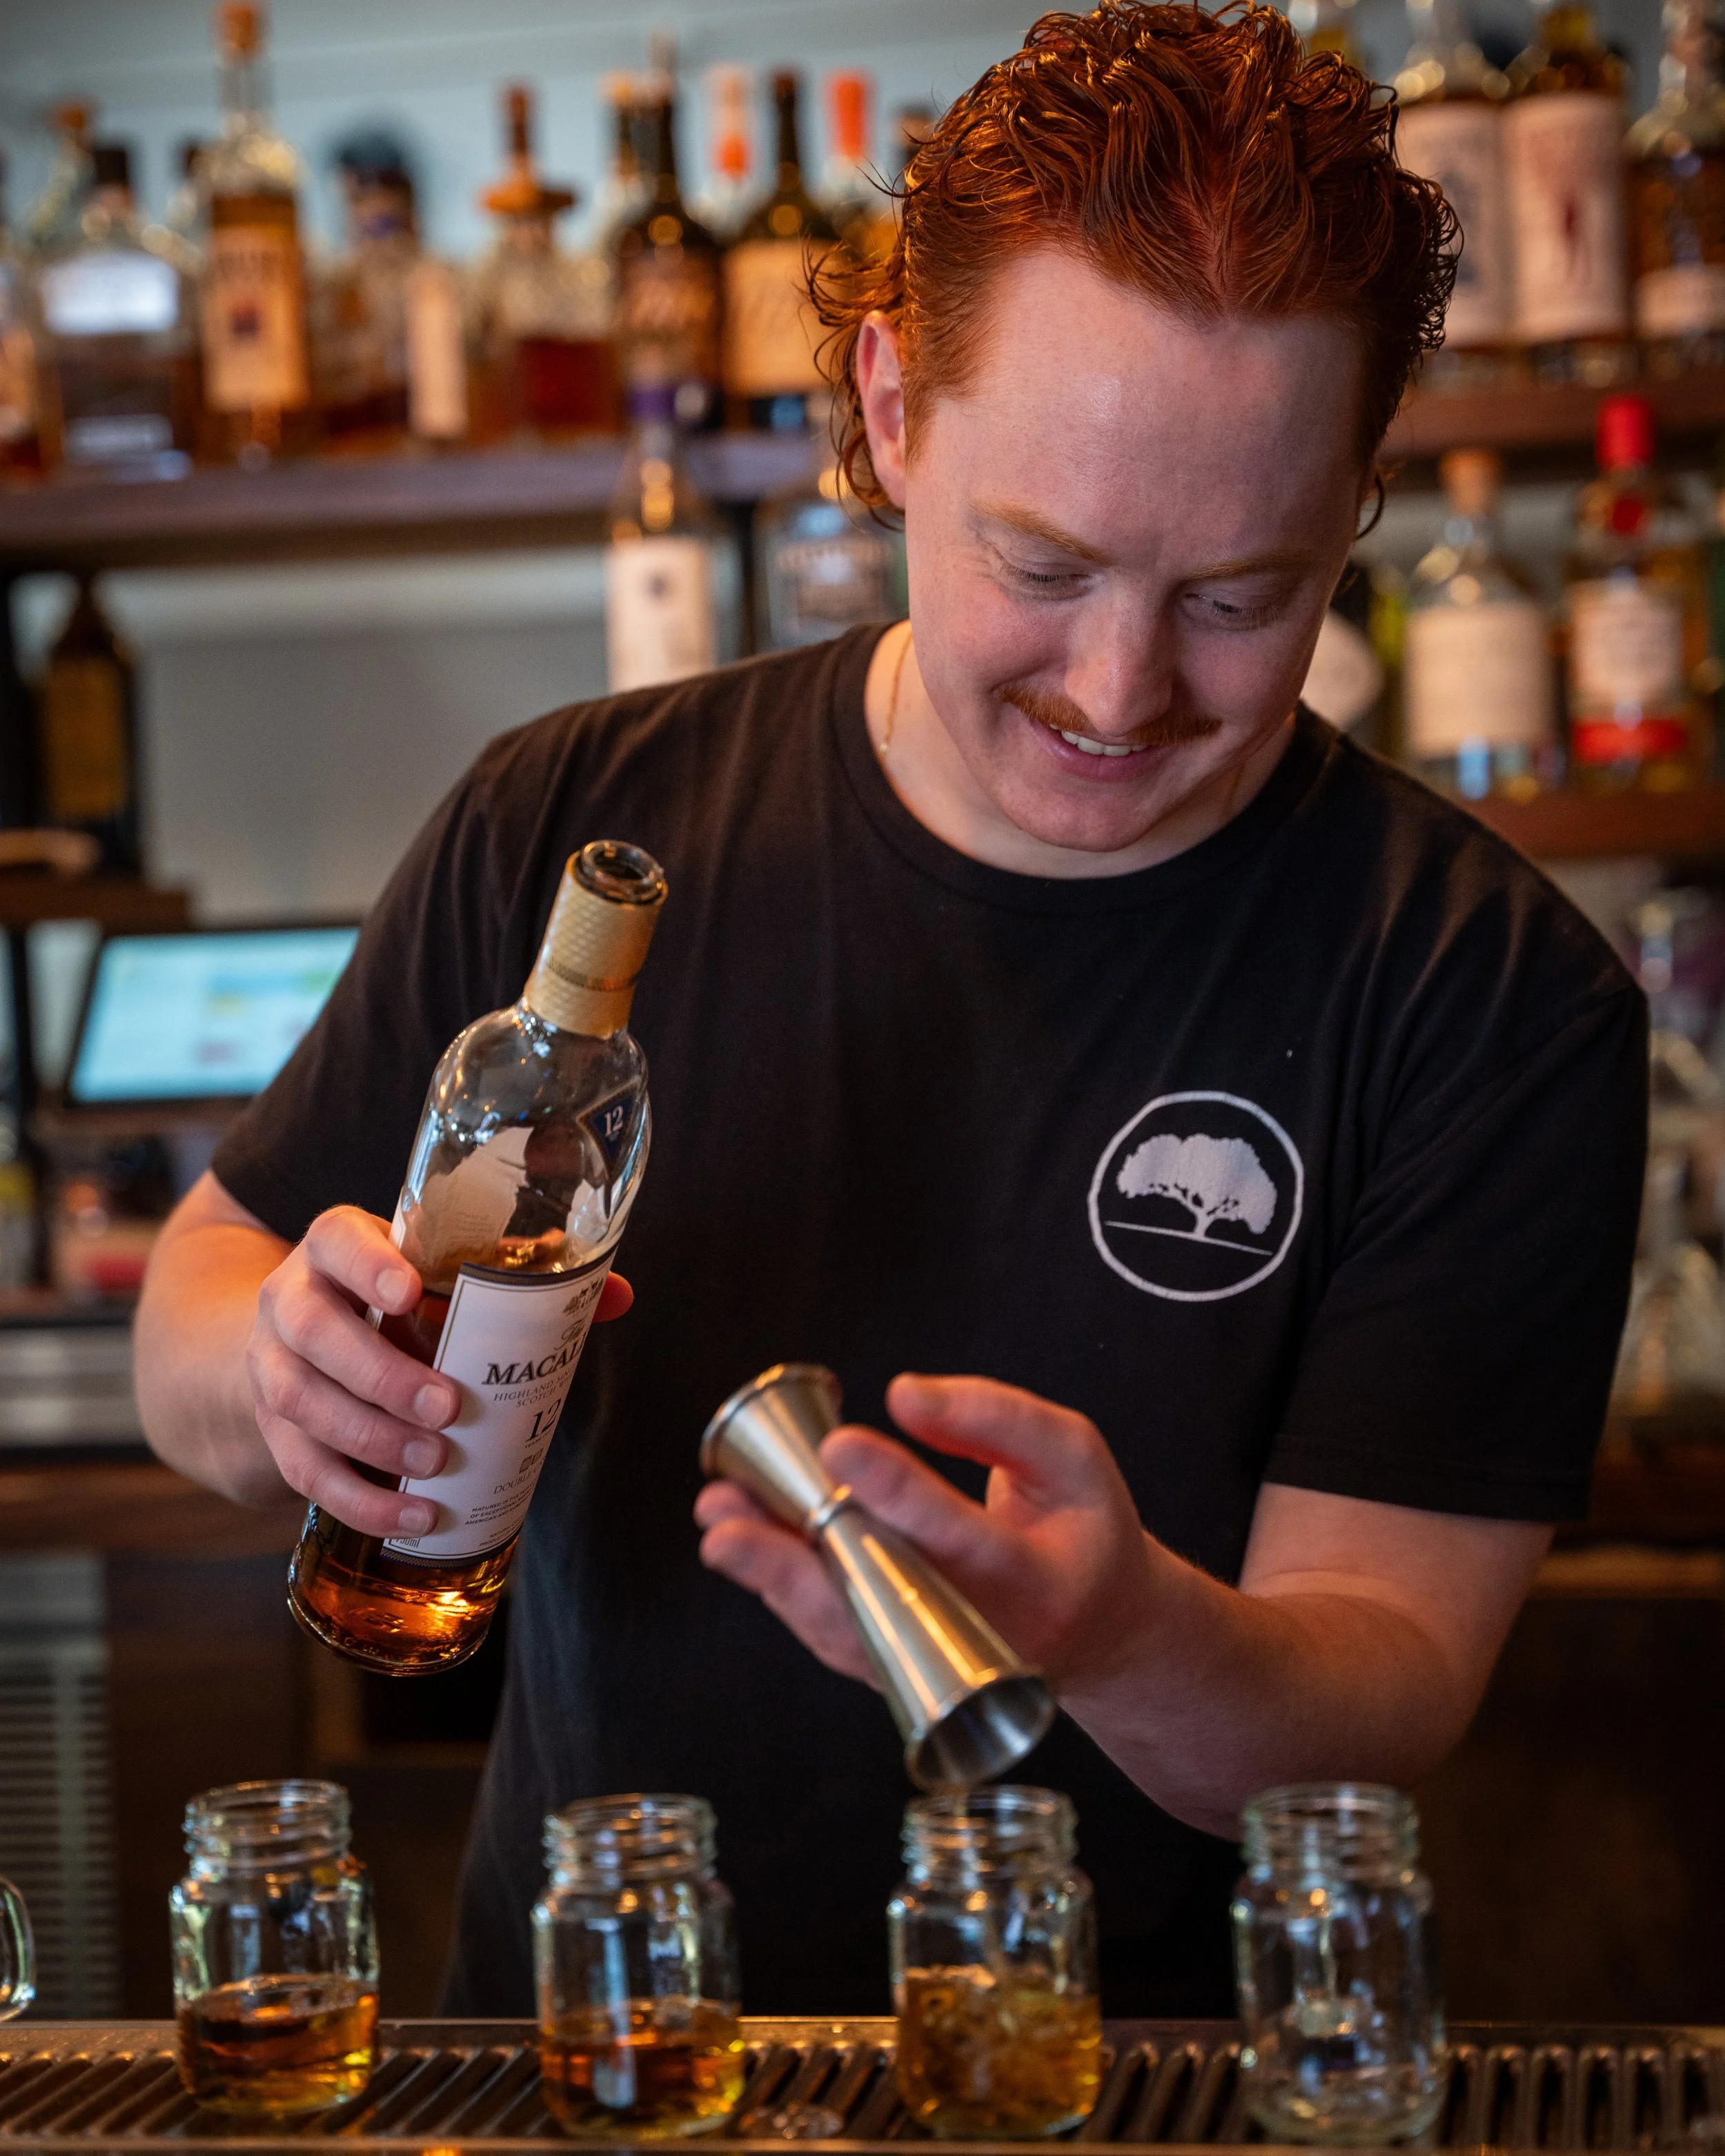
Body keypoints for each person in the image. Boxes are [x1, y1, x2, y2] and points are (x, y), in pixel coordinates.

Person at [135, 0, 1646, 2017]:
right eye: (1043, 562)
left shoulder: (1485, 994)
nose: (1119, 691)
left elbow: (1373, 1687)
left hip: (1143, 2091)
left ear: (1356, 499)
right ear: (891, 405)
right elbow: (195, 1308)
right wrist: (284, 1374)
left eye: (1237, 596)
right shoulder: (571, 828)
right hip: (594, 2042)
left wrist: (1122, 1635)